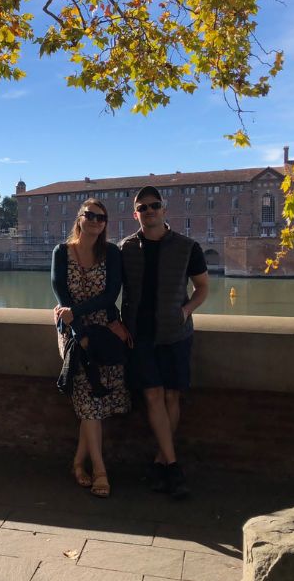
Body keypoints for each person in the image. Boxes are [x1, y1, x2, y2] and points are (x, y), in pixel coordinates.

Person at [120, 186, 209, 499]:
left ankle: (160, 463)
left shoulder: (188, 247)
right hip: (140, 335)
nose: (149, 211)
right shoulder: (126, 248)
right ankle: (173, 466)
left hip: (176, 334)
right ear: (136, 214)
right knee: (153, 396)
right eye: (143, 208)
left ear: (164, 210)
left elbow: (201, 288)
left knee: (172, 398)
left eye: (154, 206)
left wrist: (185, 310)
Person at [52, 199, 132, 498]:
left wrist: (79, 314)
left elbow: (112, 294)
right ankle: (100, 471)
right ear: (80, 218)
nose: (97, 221)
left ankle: (77, 463)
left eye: (102, 218)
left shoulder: (111, 252)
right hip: (73, 331)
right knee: (89, 396)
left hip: (103, 328)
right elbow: (60, 292)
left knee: (93, 404)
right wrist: (78, 331)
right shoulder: (61, 252)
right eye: (91, 216)